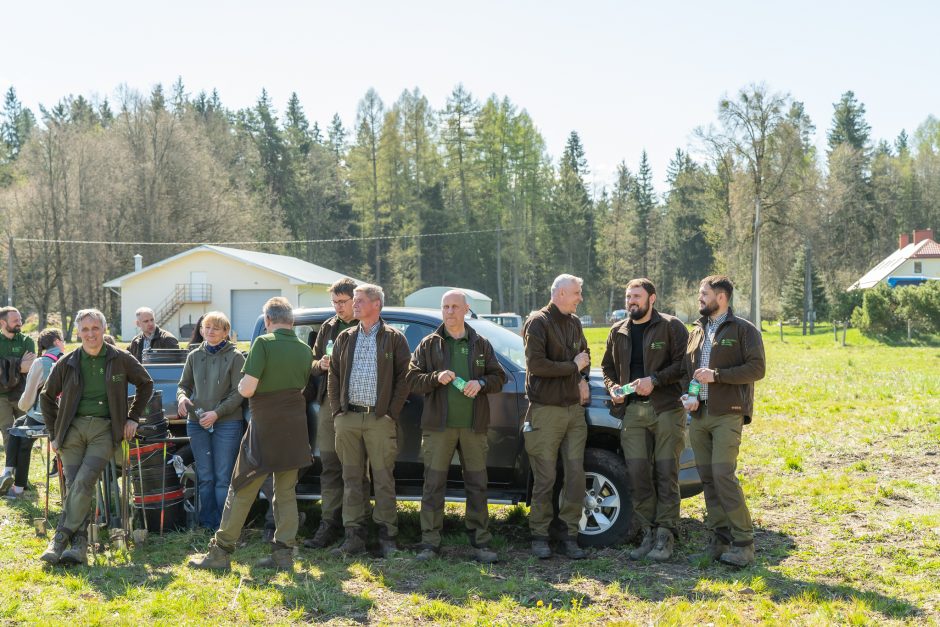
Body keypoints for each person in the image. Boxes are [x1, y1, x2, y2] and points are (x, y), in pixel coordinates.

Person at [188, 297, 312, 571]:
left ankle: (220, 553)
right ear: (291, 321)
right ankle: (284, 555)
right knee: (286, 492)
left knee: (241, 487)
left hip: (265, 426)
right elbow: (301, 386)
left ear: (268, 320)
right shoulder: (305, 349)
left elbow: (246, 389)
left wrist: (247, 383)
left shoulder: (263, 343)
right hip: (294, 426)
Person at [38, 309, 153, 566]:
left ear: (103, 329)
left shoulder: (120, 358)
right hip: (72, 431)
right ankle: (79, 547)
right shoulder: (67, 362)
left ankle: (59, 539)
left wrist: (133, 418)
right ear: (78, 333)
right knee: (75, 484)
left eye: (95, 328)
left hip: (104, 430)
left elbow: (146, 384)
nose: (91, 334)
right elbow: (46, 398)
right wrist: (54, 433)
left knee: (84, 481)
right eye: (85, 330)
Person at [408, 290, 506, 563]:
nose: (449, 311)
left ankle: (481, 542)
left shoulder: (480, 344)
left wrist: (482, 383)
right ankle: (430, 542)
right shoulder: (429, 344)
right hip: (439, 428)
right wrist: (435, 377)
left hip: (473, 427)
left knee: (477, 484)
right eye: (445, 306)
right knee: (433, 484)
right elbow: (412, 379)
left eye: (454, 307)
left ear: (466, 310)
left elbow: (499, 376)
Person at [601, 279, 688, 561]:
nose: (631, 301)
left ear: (652, 298)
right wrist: (612, 387)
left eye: (637, 296)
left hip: (665, 408)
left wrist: (656, 380)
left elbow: (683, 365)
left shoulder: (671, 326)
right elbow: (607, 367)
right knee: (638, 474)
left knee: (666, 472)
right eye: (628, 297)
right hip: (632, 412)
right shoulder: (618, 331)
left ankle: (666, 535)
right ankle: (647, 532)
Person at [681, 275, 765, 567]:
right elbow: (688, 371)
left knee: (723, 476)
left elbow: (757, 368)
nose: (699, 298)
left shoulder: (744, 330)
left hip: (727, 412)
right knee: (708, 479)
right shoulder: (696, 331)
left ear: (722, 297)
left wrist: (717, 377)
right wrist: (689, 395)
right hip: (699, 414)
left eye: (704, 293)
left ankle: (744, 544)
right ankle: (719, 542)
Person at [328, 283, 410, 557]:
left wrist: (390, 413)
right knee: (351, 478)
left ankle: (387, 537)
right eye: (355, 301)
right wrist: (337, 413)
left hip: (378, 419)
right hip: (348, 417)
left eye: (360, 300)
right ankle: (354, 537)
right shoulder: (346, 337)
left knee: (384, 478)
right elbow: (334, 375)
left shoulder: (394, 338)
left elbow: (404, 379)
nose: (355, 304)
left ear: (376, 304)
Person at [522, 274, 590, 560]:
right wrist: (572, 368)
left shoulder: (574, 323)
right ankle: (540, 535)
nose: (580, 298)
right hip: (546, 411)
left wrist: (583, 376)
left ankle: (569, 535)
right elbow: (537, 365)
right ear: (560, 293)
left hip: (574, 412)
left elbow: (585, 355)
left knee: (575, 476)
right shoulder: (538, 322)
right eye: (576, 293)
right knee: (545, 477)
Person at [303, 277, 370, 550]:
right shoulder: (328, 328)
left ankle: (358, 529)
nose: (338, 308)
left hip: (358, 406)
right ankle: (328, 525)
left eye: (342, 302)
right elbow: (313, 361)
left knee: (356, 471)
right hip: (330, 404)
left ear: (356, 301)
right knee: (330, 467)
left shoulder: (367, 325)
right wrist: (320, 363)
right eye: (334, 302)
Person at [177, 312, 245, 530]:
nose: (210, 331)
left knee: (223, 477)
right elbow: (183, 385)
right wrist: (182, 397)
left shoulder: (236, 357)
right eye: (206, 327)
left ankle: (224, 528)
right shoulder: (194, 356)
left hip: (226, 422)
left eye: (216, 328)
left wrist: (217, 413)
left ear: (226, 332)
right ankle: (206, 524)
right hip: (197, 423)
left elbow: (239, 393)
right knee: (205, 476)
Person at [0, 329, 64, 498]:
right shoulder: (68, 359)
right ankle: (9, 476)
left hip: (41, 416)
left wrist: (25, 407)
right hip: (65, 416)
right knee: (17, 426)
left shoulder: (40, 362)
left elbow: (28, 395)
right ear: (57, 342)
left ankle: (13, 480)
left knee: (21, 437)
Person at [0, 307, 36, 453]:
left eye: (20, 319)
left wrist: (5, 364)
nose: (20, 323)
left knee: (25, 434)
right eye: (15, 321)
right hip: (1, 397)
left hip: (22, 394)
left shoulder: (27, 341)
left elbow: (30, 367)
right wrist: (19, 364)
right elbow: (23, 367)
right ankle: (10, 471)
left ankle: (22, 471)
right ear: (2, 322)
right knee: (8, 433)